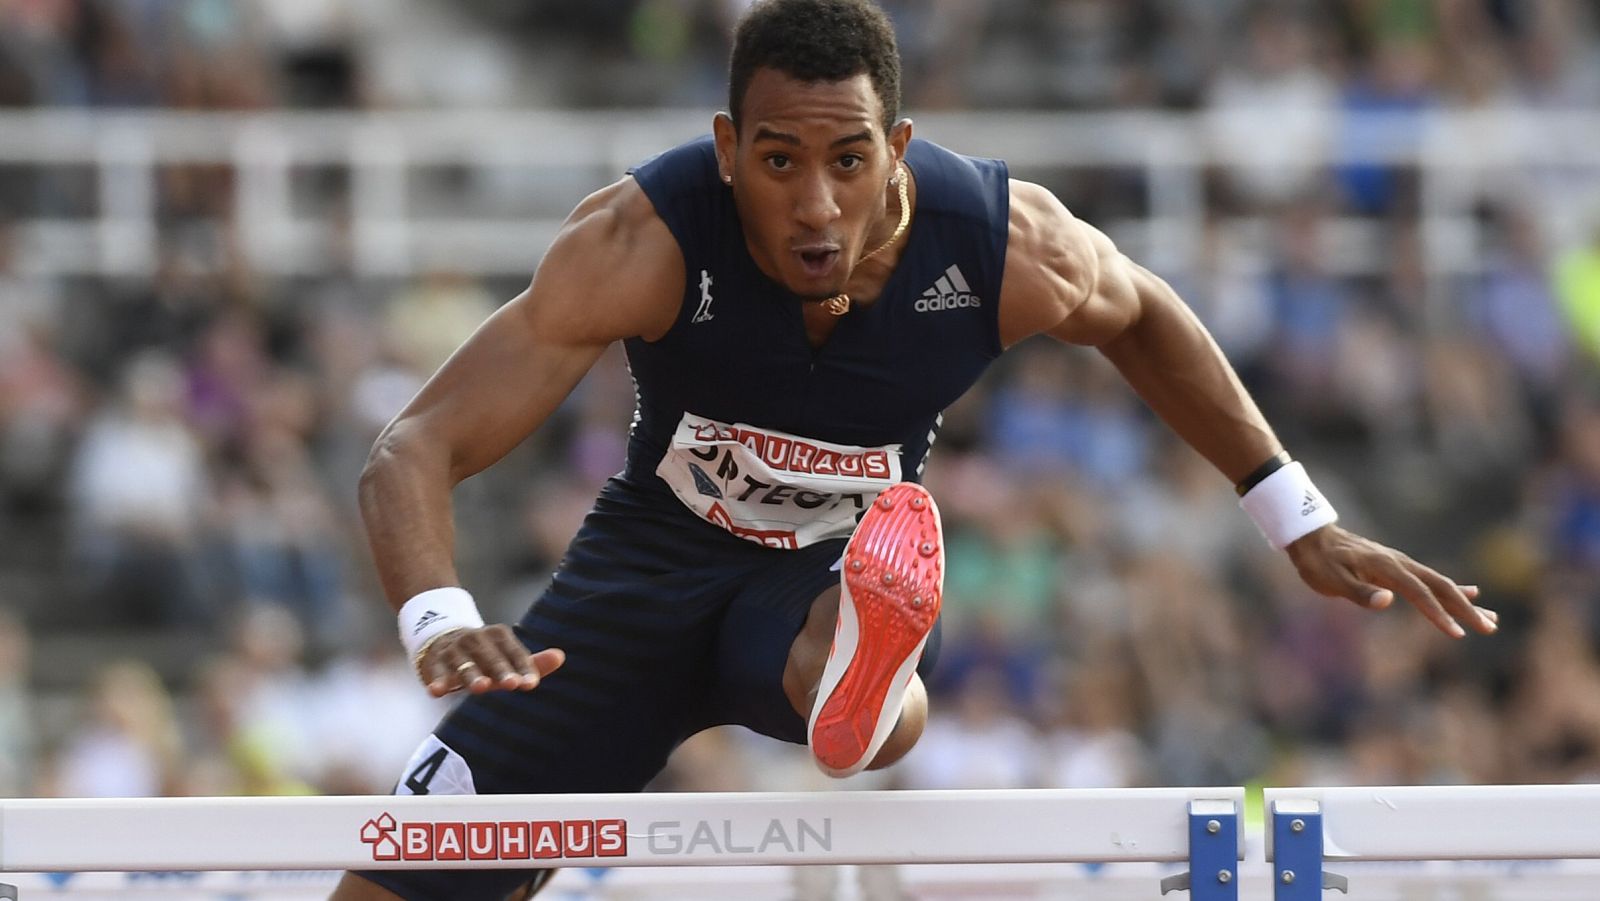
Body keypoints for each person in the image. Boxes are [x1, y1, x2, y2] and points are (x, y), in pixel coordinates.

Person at [333, 1, 1498, 898]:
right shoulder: (641, 238)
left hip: (822, 576)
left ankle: (870, 678)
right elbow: (415, 444)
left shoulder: (997, 243)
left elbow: (1142, 312)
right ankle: (864, 675)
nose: (816, 208)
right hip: (639, 575)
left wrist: (1292, 512)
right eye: (778, 162)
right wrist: (436, 617)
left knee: (835, 659)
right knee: (397, 878)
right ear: (727, 147)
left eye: (848, 160)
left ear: (896, 146)